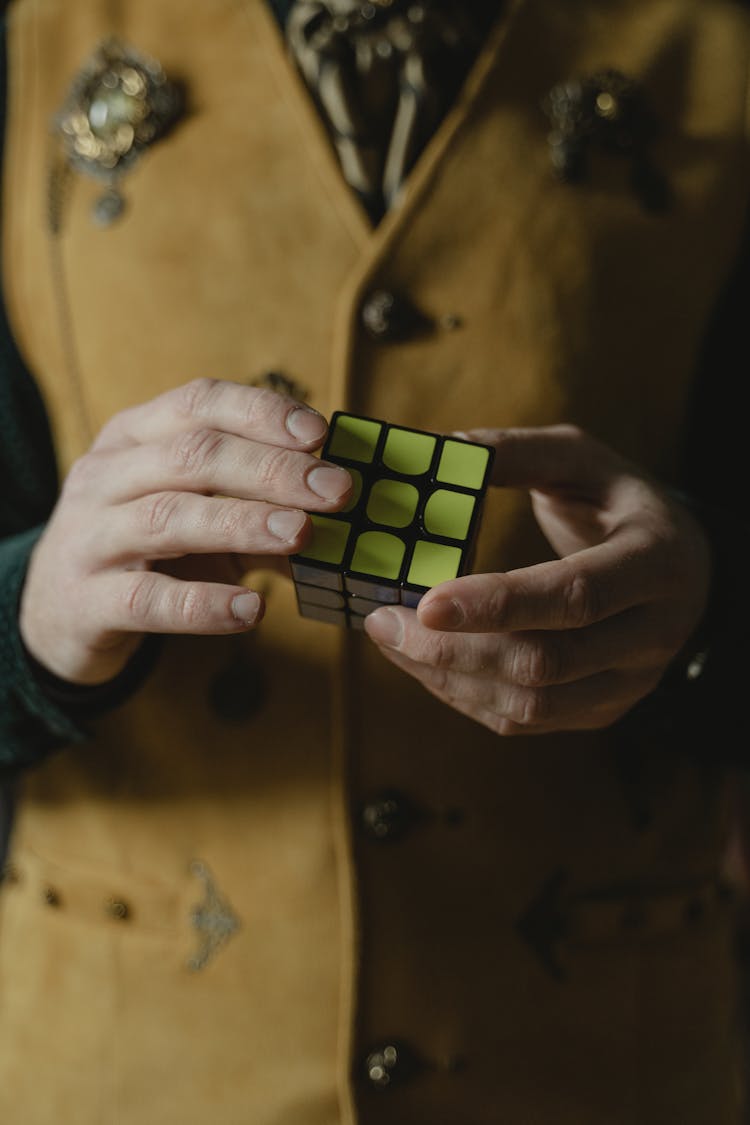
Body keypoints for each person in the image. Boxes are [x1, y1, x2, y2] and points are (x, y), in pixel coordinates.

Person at [0, 0, 748, 1121]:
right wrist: (29, 621)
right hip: (121, 1061)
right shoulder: (28, 32)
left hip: (603, 1064)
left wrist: (711, 611)